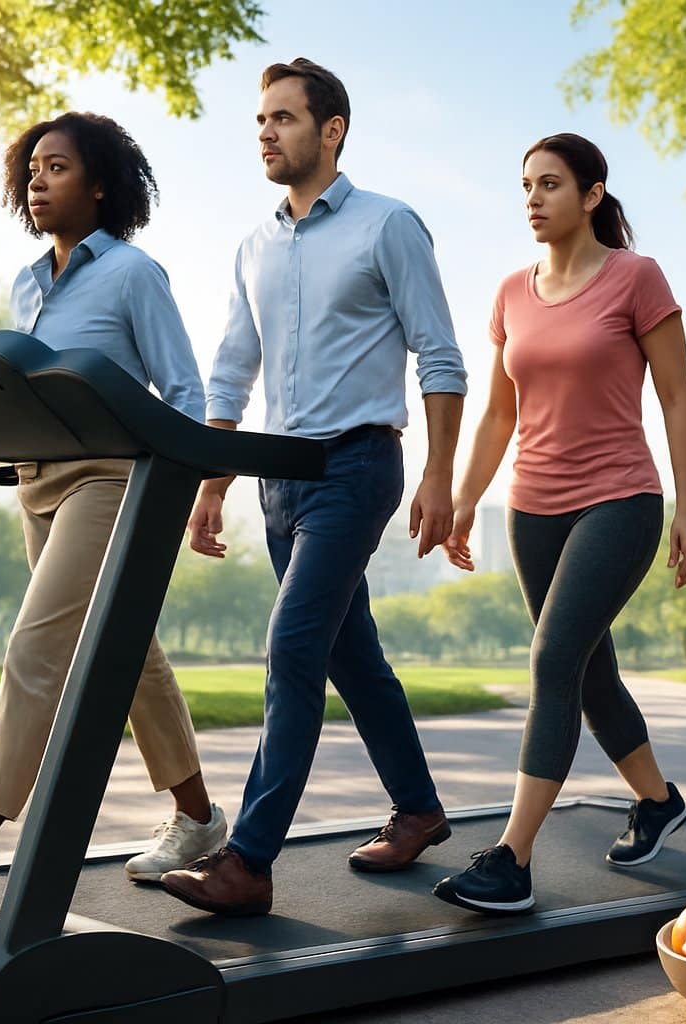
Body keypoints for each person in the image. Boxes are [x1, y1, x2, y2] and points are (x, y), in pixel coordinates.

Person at [0, 113, 226, 909]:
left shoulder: (134, 273)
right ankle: (199, 818)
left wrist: (195, 488)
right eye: (31, 167)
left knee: (36, 649)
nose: (36, 179)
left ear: (100, 184)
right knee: (129, 651)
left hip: (110, 482)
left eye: (57, 167)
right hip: (37, 483)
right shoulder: (27, 282)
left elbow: (186, 390)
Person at [159, 59, 468, 917]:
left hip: (359, 465)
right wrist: (212, 483)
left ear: (331, 130)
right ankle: (420, 808)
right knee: (348, 654)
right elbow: (231, 374)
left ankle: (247, 861)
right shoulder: (252, 246)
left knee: (293, 645)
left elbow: (439, 357)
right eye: (261, 120)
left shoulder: (387, 225)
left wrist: (441, 472)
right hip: (278, 481)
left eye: (284, 118)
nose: (266, 132)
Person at [431, 133, 686, 915]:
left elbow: (678, 399)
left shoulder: (636, 278)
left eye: (550, 184)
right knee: (588, 673)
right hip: (531, 507)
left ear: (591, 196)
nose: (533, 198)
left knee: (552, 660)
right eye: (526, 186)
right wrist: (460, 497)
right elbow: (497, 414)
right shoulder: (511, 290)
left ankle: (513, 858)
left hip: (619, 499)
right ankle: (657, 802)